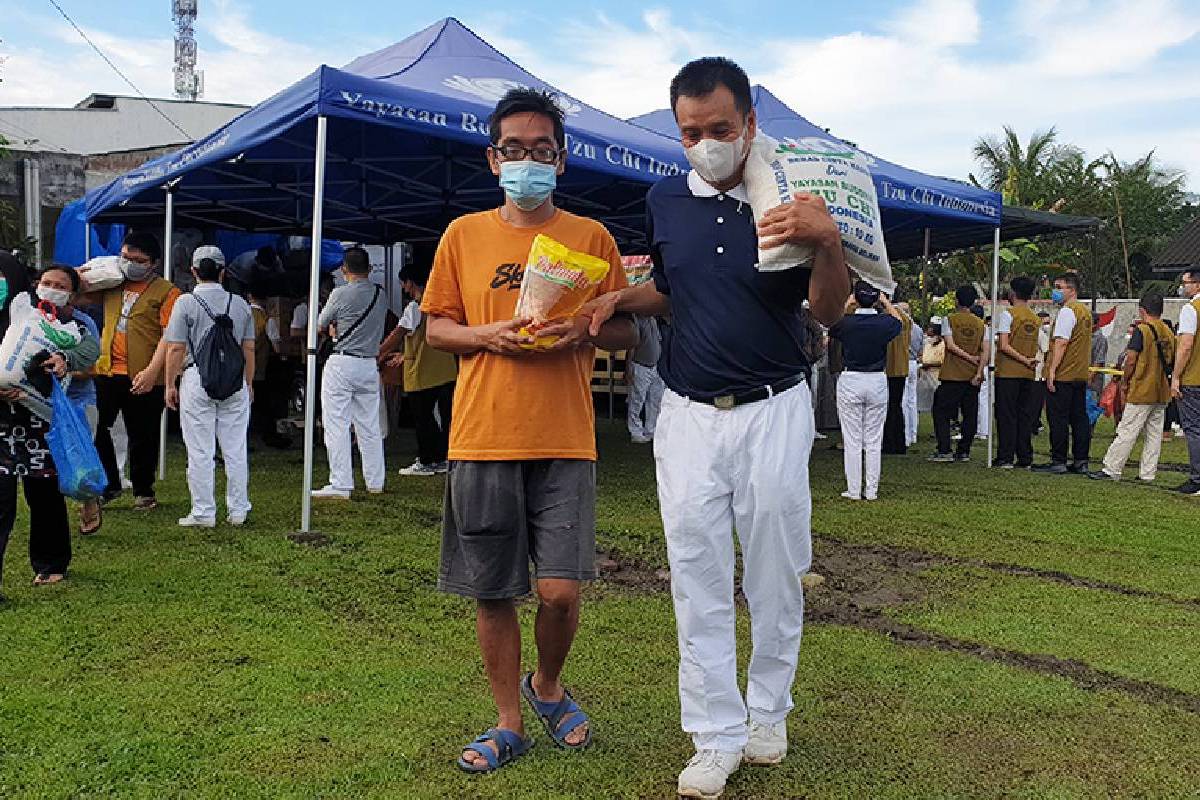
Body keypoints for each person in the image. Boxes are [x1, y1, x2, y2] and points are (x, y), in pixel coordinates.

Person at [586, 58, 850, 799]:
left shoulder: (791, 200)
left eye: (720, 129)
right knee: (696, 574)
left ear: (750, 125)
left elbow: (828, 313)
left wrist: (827, 242)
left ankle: (769, 713)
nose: (706, 144)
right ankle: (713, 734)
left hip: (774, 408)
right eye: (691, 132)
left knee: (774, 571)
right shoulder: (664, 199)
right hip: (689, 414)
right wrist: (620, 301)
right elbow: (674, 289)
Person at [421, 87, 635, 774]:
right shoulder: (463, 235)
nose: (528, 161)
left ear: (561, 161)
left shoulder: (592, 237)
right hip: (483, 434)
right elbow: (436, 327)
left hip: (566, 436)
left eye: (542, 150)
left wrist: (583, 329)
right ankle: (508, 721)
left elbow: (627, 329)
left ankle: (546, 684)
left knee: (561, 590)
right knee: (494, 590)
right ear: (493, 159)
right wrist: (489, 336)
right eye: (514, 149)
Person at [0, 263, 101, 596]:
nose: (51, 288)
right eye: (46, 282)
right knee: (2, 500)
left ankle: (50, 563)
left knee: (43, 495)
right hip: (4, 420)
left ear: (71, 293)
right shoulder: (18, 314)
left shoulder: (76, 326)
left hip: (43, 423)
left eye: (59, 285)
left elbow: (90, 351)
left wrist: (63, 358)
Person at [161, 247, 255, 527]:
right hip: (235, 381)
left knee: (200, 449)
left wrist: (169, 384)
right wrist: (249, 383)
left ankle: (203, 511)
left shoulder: (185, 303)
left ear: (193, 271)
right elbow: (248, 347)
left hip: (196, 379)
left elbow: (175, 347)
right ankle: (238, 509)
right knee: (235, 447)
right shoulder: (240, 304)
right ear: (223, 271)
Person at [91, 230, 182, 510]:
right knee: (97, 428)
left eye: (138, 259)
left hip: (145, 374)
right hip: (107, 370)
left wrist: (153, 372)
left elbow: (170, 336)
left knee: (143, 434)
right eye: (125, 257)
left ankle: (144, 490)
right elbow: (79, 288)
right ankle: (109, 484)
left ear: (152, 263)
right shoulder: (112, 283)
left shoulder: (167, 292)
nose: (130, 263)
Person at [312, 248, 389, 499]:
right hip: (369, 363)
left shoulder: (340, 293)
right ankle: (375, 481)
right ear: (369, 269)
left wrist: (335, 331)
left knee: (337, 424)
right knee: (369, 426)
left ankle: (341, 483)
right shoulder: (381, 294)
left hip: (343, 362)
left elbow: (320, 325)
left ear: (344, 269)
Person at [379, 252, 458, 476]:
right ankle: (443, 458)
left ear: (410, 282)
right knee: (445, 418)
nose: (403, 288)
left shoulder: (414, 308)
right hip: (445, 370)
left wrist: (378, 354)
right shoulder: (441, 305)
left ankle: (426, 460)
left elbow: (398, 334)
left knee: (423, 419)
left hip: (421, 373)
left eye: (403, 283)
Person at [1089, 292, 1174, 483]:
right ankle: (1148, 473)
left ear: (1142, 310)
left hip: (1142, 388)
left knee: (1127, 430)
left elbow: (1131, 359)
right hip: (1161, 390)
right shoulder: (1168, 331)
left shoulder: (1142, 330)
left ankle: (1112, 468)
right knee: (1154, 434)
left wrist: (1125, 381)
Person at [830, 284, 902, 500]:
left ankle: (853, 490)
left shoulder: (847, 323)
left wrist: (847, 304)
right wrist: (886, 302)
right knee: (873, 438)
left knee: (852, 439)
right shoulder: (884, 323)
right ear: (876, 298)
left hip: (851, 379)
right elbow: (899, 321)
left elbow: (831, 324)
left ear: (855, 298)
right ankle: (871, 490)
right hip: (877, 380)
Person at [1034, 273, 1094, 474]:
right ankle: (1080, 460)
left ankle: (1058, 460)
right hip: (1079, 373)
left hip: (1064, 374)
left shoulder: (1068, 312)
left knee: (1058, 418)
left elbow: (1061, 343)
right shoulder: (1085, 312)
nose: (1055, 291)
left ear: (1072, 290)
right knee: (1079, 418)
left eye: (1059, 287)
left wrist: (1051, 371)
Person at [930, 286, 988, 463]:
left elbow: (950, 345)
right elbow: (986, 351)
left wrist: (969, 358)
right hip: (972, 376)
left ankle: (944, 449)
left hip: (952, 375)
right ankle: (964, 451)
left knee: (941, 412)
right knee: (970, 414)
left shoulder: (950, 320)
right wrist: (979, 371)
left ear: (956, 300)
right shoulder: (981, 324)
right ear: (973, 302)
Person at [993, 276, 1040, 469]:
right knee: (1024, 416)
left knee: (1006, 415)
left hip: (1008, 373)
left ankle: (1005, 456)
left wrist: (1022, 359)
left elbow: (1004, 345)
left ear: (1013, 293)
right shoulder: (1035, 318)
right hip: (1028, 374)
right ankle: (1025, 456)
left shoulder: (1008, 315)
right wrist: (1028, 361)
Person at [247, 285, 291, 449]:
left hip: (241, 366)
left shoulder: (241, 314)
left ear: (249, 296)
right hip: (260, 366)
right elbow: (276, 346)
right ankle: (267, 434)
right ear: (266, 300)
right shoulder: (267, 319)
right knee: (263, 403)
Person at [1171, 268, 1200, 495]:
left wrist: (1176, 377)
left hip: (1193, 378)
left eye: (1186, 282)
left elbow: (1186, 345)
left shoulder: (1191, 309)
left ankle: (1197, 477)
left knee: (1193, 429)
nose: (1183, 286)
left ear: (1197, 285)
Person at [626, 314, 665, 444]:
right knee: (637, 401)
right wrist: (629, 368)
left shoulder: (653, 320)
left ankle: (651, 430)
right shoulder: (638, 320)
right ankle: (635, 432)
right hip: (640, 365)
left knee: (655, 400)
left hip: (655, 366)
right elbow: (631, 347)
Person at [881, 296, 913, 455]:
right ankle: (898, 442)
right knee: (896, 406)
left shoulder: (892, 318)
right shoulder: (906, 319)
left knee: (890, 407)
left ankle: (890, 442)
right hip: (900, 368)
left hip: (890, 368)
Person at [899, 302, 923, 447]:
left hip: (903, 363)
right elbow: (921, 351)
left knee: (903, 400)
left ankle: (906, 434)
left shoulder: (901, 328)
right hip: (914, 363)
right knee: (912, 400)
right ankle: (913, 433)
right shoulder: (919, 330)